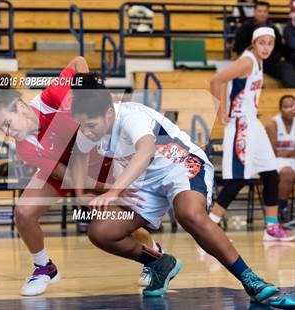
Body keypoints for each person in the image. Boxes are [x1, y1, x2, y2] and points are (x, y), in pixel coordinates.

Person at [69, 72, 279, 301]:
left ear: (109, 112)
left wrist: (113, 191)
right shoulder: (88, 127)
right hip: (145, 181)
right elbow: (79, 154)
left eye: (90, 125)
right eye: (82, 125)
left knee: (189, 214)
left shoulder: (131, 117)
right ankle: (160, 264)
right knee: (102, 233)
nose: (86, 131)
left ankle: (250, 278)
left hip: (180, 164)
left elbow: (146, 152)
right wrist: (81, 193)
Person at [0, 57, 159, 296]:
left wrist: (87, 93)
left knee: (116, 218)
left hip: (99, 157)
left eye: (7, 123)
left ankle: (152, 255)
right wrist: (101, 189)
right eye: (0, 128)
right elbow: (71, 179)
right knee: (23, 212)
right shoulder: (24, 146)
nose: (6, 132)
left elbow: (78, 62)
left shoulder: (52, 99)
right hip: (70, 170)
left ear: (21, 107)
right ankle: (44, 267)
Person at [209, 27, 294, 241]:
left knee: (270, 173)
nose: (266, 47)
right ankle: (209, 226)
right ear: (254, 43)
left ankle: (272, 228)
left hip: (253, 123)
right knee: (238, 179)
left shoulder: (259, 61)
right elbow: (216, 80)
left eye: (270, 43)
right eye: (262, 42)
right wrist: (220, 111)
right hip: (240, 125)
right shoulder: (247, 61)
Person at [234, 1, 295, 88]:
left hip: (270, 61)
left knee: (287, 67)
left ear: (268, 13)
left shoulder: (273, 28)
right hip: (251, 60)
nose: (262, 14)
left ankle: (291, 92)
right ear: (254, 12)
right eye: (260, 11)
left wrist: (272, 57)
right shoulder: (245, 27)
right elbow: (239, 48)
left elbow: (280, 48)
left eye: (265, 11)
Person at [266, 95, 295, 223]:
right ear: (280, 108)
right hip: (276, 161)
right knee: (287, 173)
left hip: (289, 159)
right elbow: (274, 152)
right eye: (287, 107)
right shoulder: (273, 124)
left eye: (293, 106)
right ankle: (282, 210)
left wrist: (285, 152)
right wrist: (290, 153)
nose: (290, 109)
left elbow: (281, 150)